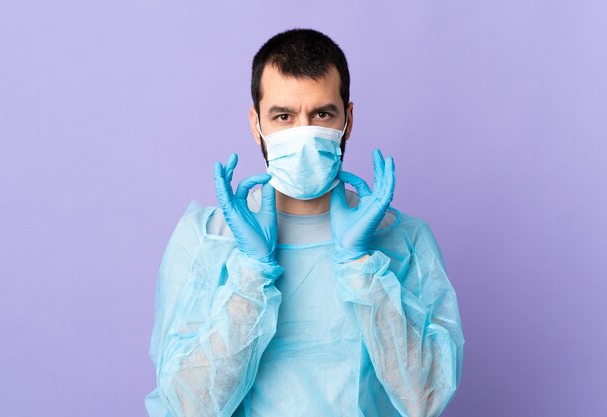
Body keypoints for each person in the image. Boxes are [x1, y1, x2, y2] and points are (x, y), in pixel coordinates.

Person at [145, 28, 465, 417]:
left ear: (347, 120)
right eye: (283, 116)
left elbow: (425, 398)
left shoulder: (404, 240)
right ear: (256, 123)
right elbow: (187, 407)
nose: (303, 134)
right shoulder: (207, 239)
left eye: (321, 114)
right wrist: (251, 275)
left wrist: (361, 268)